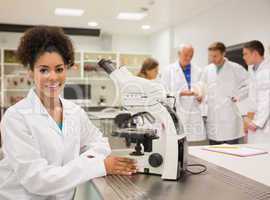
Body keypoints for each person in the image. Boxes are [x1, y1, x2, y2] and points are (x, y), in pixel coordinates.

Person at [0, 26, 137, 200]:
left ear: (67, 69)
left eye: (59, 69)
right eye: (43, 70)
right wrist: (97, 166)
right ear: (30, 71)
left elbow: (99, 143)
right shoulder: (16, 117)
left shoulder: (74, 112)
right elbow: (37, 179)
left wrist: (84, 163)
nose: (53, 77)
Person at [199, 42, 249, 145]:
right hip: (213, 117)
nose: (212, 59)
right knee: (214, 152)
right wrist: (201, 95)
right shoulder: (207, 70)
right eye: (210, 56)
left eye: (215, 56)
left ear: (223, 54)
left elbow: (249, 84)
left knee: (232, 153)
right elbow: (202, 87)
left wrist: (238, 96)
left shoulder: (236, 68)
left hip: (229, 116)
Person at [161, 44, 206, 142]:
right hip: (177, 112)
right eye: (186, 55)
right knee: (177, 145)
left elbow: (201, 88)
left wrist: (200, 96)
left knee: (192, 146)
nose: (188, 58)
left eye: (191, 55)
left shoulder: (198, 71)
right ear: (179, 54)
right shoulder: (168, 70)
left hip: (193, 113)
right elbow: (163, 92)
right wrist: (180, 93)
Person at [243, 40, 270, 144]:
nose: (243, 57)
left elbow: (266, 99)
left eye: (245, 54)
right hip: (254, 120)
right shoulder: (254, 70)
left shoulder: (266, 72)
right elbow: (254, 98)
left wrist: (256, 123)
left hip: (263, 124)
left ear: (255, 53)